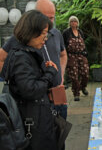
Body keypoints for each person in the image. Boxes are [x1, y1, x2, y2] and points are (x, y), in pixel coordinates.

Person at [0, 0, 68, 120]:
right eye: (45, 17)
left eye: (52, 18)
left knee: (60, 129)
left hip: (57, 93)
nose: (45, 38)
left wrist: (61, 75)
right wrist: (12, 81)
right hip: (37, 101)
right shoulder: (20, 44)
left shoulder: (56, 34)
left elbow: (63, 55)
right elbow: (2, 58)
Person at [1, 10, 58, 150]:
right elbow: (31, 90)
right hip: (33, 125)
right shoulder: (21, 57)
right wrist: (50, 73)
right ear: (31, 32)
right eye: (43, 34)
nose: (45, 38)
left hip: (36, 121)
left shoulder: (25, 53)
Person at [63, 16, 89, 101]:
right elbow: (63, 45)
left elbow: (83, 43)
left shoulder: (80, 32)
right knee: (74, 76)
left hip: (81, 55)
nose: (73, 23)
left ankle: (82, 87)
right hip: (71, 56)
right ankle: (76, 93)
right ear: (69, 23)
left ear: (77, 23)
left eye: (75, 21)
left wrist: (85, 52)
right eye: (72, 21)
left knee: (85, 73)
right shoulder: (66, 32)